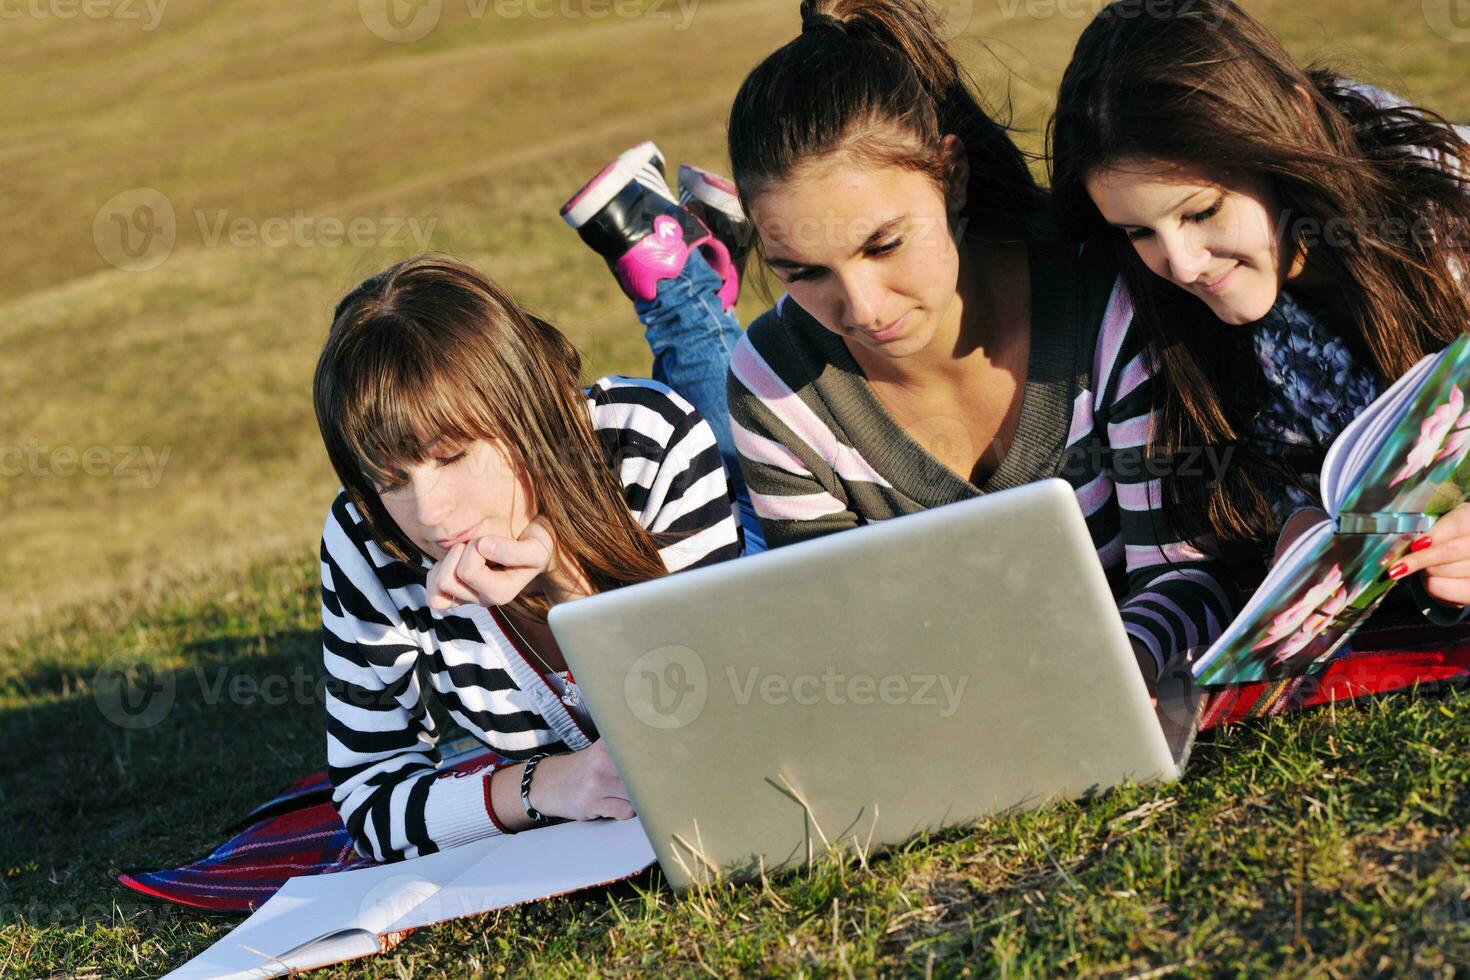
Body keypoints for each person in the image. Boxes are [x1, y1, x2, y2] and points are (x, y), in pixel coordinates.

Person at [560, 0, 1236, 692]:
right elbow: (849, 638)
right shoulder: (771, 383)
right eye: (803, 273)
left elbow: (1189, 574)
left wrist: (1114, 666)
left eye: (884, 244)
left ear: (952, 176)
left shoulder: (1106, 304)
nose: (862, 307)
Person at [1048, 0, 1470, 624]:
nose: (1182, 263)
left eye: (1201, 211)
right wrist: (1294, 528)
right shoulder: (1151, 310)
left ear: (1289, 127)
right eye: (1139, 231)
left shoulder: (1442, 219)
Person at [313, 256, 742, 862]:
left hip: (737, 522)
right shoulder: (364, 537)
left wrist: (563, 575)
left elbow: (720, 718)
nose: (429, 513)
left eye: (453, 455)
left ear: (523, 415)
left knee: (733, 411)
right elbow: (370, 801)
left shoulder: (649, 442)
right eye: (391, 480)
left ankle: (681, 278)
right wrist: (549, 786)